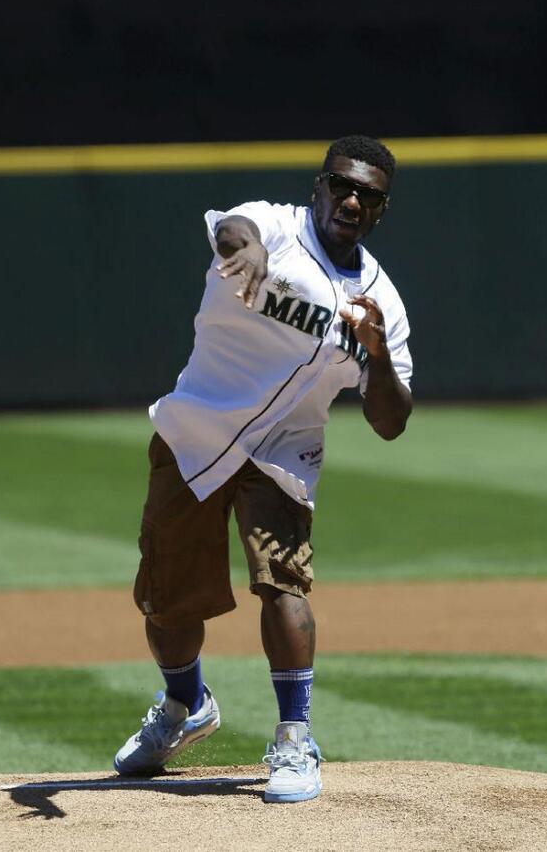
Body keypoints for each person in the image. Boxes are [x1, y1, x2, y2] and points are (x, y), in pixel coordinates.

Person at [114, 134, 413, 803]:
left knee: (283, 583)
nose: (352, 199)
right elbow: (233, 229)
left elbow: (390, 420)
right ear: (319, 185)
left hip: (284, 448)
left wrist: (377, 357)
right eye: (342, 184)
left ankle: (293, 737)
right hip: (198, 424)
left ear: (380, 210)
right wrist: (241, 247)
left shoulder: (380, 302)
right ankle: (185, 704)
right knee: (167, 596)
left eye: (368, 194)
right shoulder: (272, 227)